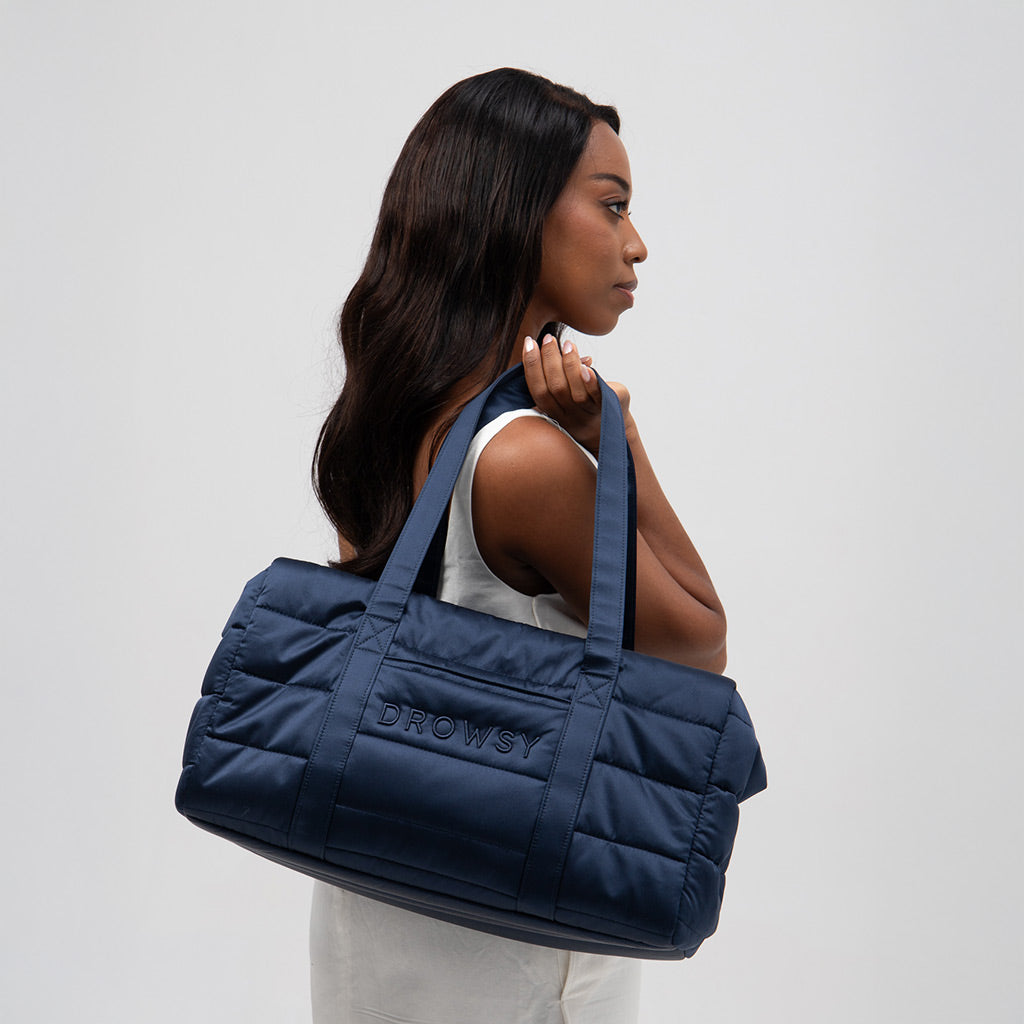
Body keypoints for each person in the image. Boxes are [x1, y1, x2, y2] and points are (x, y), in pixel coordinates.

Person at [310, 67, 726, 1024]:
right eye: (612, 205)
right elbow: (699, 641)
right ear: (515, 211)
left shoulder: (384, 424)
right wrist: (616, 444)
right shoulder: (525, 459)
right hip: (513, 928)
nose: (637, 244)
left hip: (373, 897)